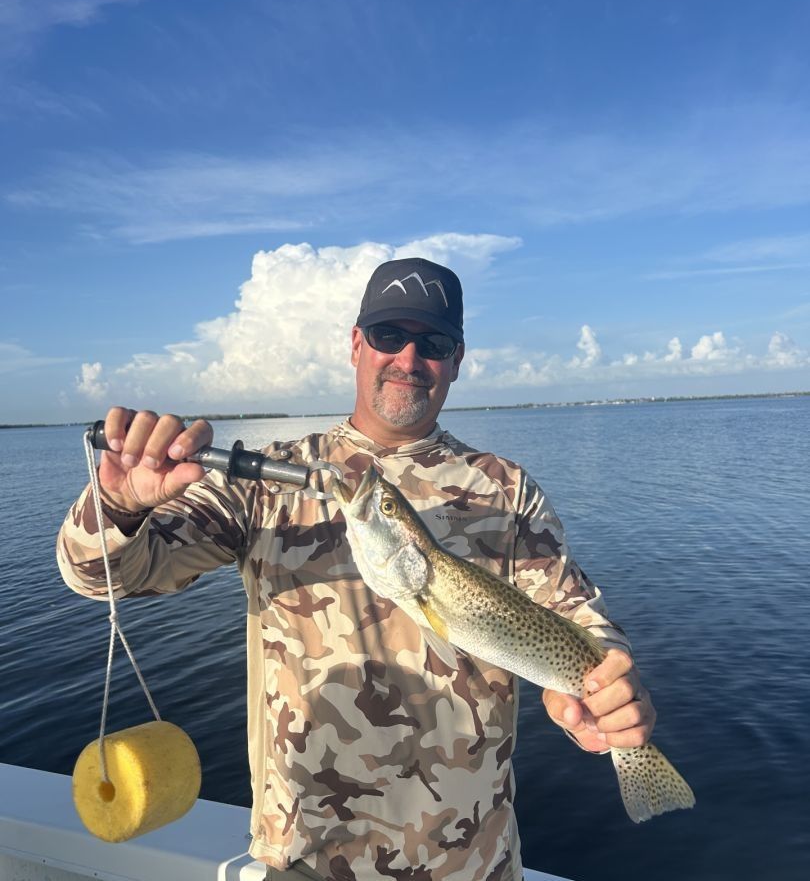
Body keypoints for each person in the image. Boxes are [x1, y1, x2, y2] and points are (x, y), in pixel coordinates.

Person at [57, 257, 656, 881]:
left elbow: (576, 618)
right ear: (355, 344)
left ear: (456, 360)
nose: (409, 358)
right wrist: (122, 504)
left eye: (434, 343)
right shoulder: (267, 479)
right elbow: (99, 575)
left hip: (471, 861)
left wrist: (609, 694)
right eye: (389, 336)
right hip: (306, 860)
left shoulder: (506, 491)